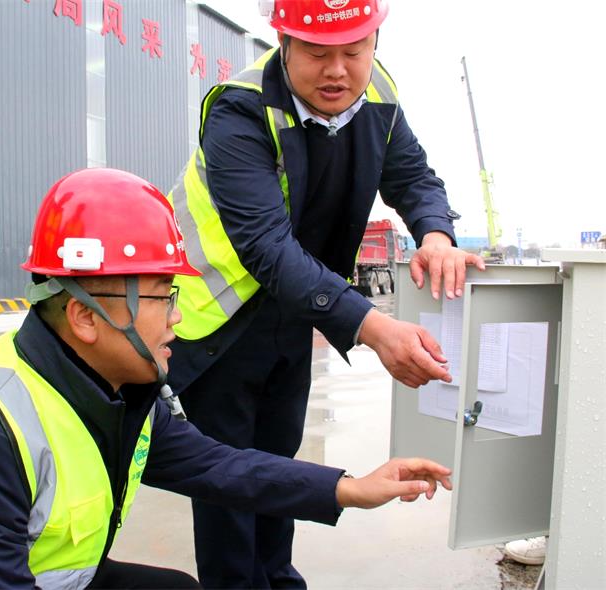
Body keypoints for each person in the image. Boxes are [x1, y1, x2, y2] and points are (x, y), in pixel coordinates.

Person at [0, 168, 453, 589]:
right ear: (85, 316)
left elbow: (223, 467)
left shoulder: (118, 390)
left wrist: (352, 487)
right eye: (163, 296)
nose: (179, 318)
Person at [165, 0, 486, 587]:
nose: (337, 70)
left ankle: (278, 578)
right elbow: (266, 246)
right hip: (217, 323)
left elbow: (413, 176)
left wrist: (437, 236)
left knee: (279, 467)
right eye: (317, 52)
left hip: (292, 314)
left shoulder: (379, 95)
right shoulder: (240, 110)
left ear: (374, 43)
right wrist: (372, 327)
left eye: (354, 51)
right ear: (284, 42)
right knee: (230, 485)